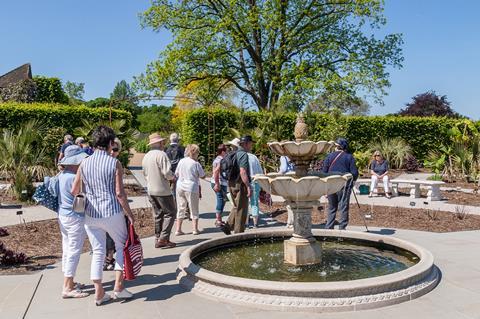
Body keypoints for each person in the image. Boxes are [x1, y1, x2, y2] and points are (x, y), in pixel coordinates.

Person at [72, 126, 135, 306]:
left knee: (98, 251)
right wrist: (130, 215)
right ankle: (118, 287)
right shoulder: (114, 163)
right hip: (112, 212)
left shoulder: (84, 163)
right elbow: (120, 194)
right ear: (109, 143)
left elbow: (74, 190)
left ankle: (99, 292)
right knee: (121, 246)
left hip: (91, 214)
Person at [57, 145, 89, 299]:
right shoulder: (73, 177)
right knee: (74, 251)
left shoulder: (62, 175)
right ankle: (68, 286)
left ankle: (69, 281)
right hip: (74, 217)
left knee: (67, 248)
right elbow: (81, 196)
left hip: (63, 215)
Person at [142, 133, 177, 248]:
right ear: (159, 143)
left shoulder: (146, 156)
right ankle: (163, 238)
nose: (164, 143)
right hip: (162, 190)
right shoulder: (161, 155)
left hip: (151, 189)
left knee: (158, 214)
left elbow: (145, 174)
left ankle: (158, 238)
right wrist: (173, 177)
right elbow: (167, 173)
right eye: (162, 141)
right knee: (171, 212)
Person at [215, 135, 254, 235]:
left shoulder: (232, 153)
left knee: (237, 206)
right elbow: (243, 171)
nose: (251, 146)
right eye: (250, 143)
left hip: (231, 183)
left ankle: (228, 226)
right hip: (240, 184)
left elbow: (218, 168)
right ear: (245, 144)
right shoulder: (243, 155)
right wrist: (248, 186)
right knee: (242, 209)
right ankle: (238, 234)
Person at [322, 138, 358, 230]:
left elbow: (324, 172)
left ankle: (329, 228)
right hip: (344, 185)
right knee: (343, 207)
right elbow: (354, 173)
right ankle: (342, 229)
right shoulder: (349, 157)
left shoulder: (329, 157)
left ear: (337, 146)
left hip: (331, 185)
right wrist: (352, 181)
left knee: (332, 207)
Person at [175, 144, 205, 235]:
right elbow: (202, 175)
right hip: (191, 187)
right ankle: (195, 229)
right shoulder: (196, 163)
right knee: (194, 208)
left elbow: (176, 174)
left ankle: (178, 229)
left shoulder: (181, 161)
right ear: (196, 153)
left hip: (180, 185)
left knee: (181, 207)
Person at [210, 144, 228, 226]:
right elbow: (216, 172)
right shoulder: (221, 160)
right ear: (223, 151)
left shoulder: (217, 159)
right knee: (221, 200)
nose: (228, 152)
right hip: (219, 182)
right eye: (227, 150)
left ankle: (219, 219)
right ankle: (218, 220)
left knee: (222, 200)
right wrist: (217, 184)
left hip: (217, 182)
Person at [247, 151, 263, 228]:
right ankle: (255, 223)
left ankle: (246, 222)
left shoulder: (240, 156)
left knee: (245, 203)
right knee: (254, 203)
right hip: (255, 181)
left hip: (245, 181)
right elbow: (260, 171)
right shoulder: (254, 157)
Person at [279, 155, 295, 228]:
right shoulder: (293, 156)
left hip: (287, 181)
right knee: (293, 202)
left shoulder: (283, 157)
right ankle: (291, 221)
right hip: (294, 180)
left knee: (289, 203)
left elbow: (284, 168)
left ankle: (290, 222)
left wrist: (277, 175)